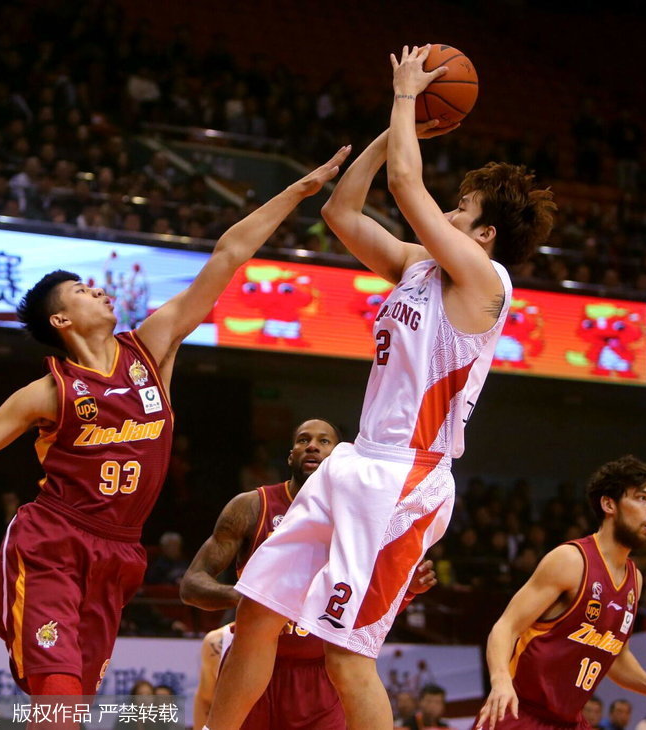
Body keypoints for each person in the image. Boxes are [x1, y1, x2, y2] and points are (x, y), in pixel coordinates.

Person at [0, 148, 351, 700]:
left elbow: (229, 253)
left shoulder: (151, 348)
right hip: (51, 542)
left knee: (74, 700)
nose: (99, 290)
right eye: (82, 290)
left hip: (121, 551)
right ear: (62, 320)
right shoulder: (48, 391)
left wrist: (298, 191)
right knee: (57, 693)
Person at [204, 46, 555, 730]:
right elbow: (342, 212)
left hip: (408, 476)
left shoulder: (488, 285)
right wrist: (398, 132)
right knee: (256, 618)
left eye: (460, 208)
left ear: (484, 233)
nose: (446, 214)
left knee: (345, 656)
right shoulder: (419, 268)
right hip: (358, 460)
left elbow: (404, 187)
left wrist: (404, 98)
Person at [183, 419, 438, 730]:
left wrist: (404, 588)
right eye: (303, 440)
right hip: (254, 662)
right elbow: (192, 585)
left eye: (324, 441)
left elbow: (362, 609)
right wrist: (255, 596)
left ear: (341, 460)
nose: (312, 446)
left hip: (321, 674)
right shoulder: (252, 506)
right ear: (291, 455)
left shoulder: (362, 519)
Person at [474, 456, 646, 730]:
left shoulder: (635, 580)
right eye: (642, 498)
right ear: (609, 504)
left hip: (570, 722)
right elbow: (506, 627)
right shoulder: (571, 561)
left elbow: (616, 656)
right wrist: (500, 681)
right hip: (520, 713)